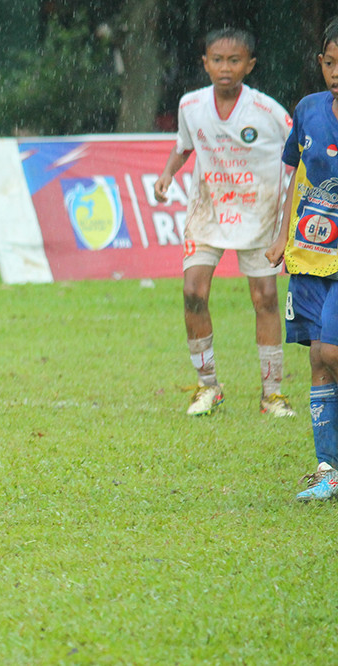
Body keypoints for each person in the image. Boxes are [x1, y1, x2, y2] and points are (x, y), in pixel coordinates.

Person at [154, 28, 294, 418]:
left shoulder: (268, 111)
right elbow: (183, 146)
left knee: (264, 299)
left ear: (250, 65)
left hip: (258, 213)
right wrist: (167, 175)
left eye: (235, 61)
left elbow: (299, 149)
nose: (225, 68)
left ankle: (272, 395)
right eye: (217, 60)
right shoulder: (191, 106)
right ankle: (208, 387)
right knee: (193, 291)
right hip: (208, 211)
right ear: (205, 63)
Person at [266, 18, 338, 500]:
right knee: (316, 357)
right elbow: (293, 174)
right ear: (321, 63)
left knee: (332, 352)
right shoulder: (309, 110)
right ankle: (327, 472)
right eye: (332, 63)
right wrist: (279, 235)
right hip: (309, 253)